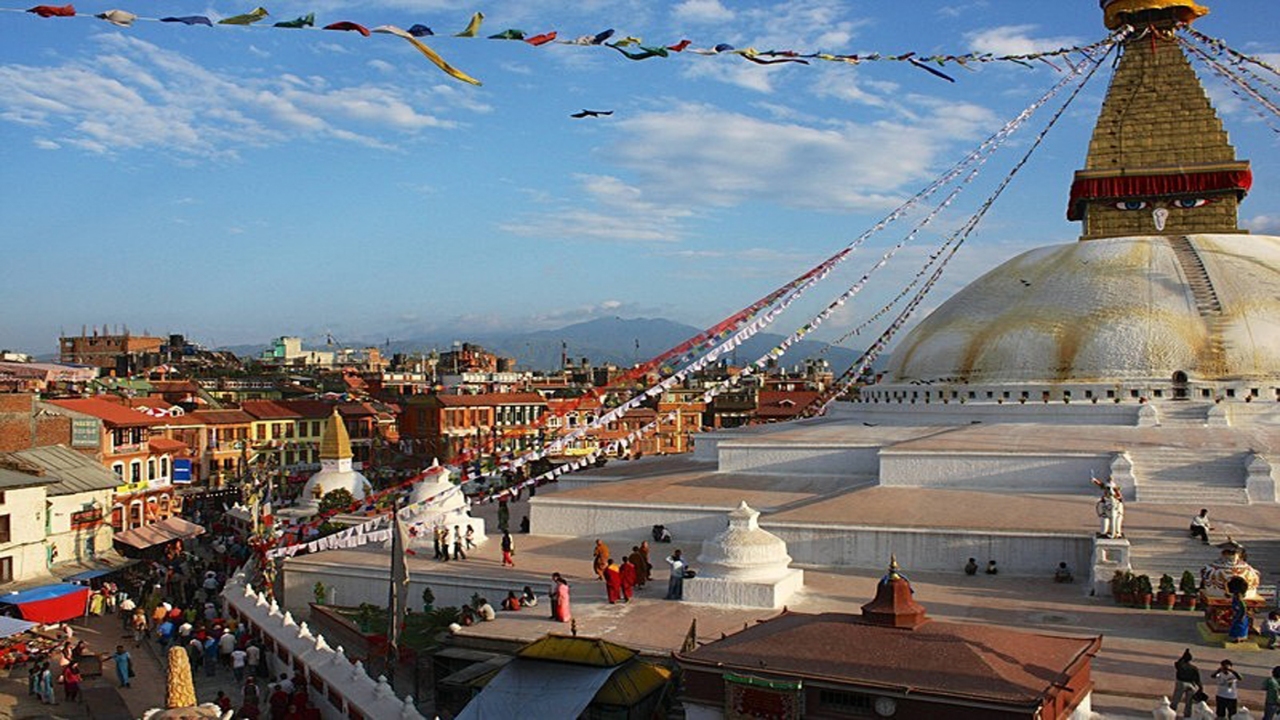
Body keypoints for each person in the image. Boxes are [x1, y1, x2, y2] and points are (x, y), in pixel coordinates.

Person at [1172, 649, 1203, 718]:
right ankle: (1187, 715)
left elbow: (1177, 663)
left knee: (1176, 698)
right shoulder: (1194, 668)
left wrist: (1184, 655)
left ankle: (1172, 712)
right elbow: (1197, 679)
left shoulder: (1180, 666)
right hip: (1191, 684)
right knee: (1189, 701)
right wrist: (1200, 687)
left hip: (1181, 683)